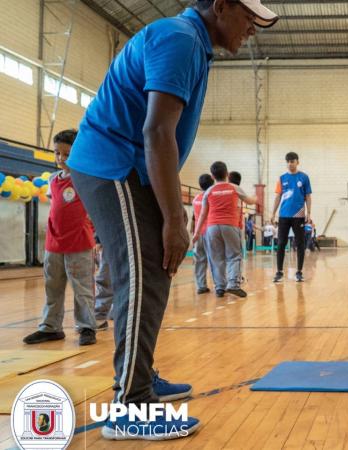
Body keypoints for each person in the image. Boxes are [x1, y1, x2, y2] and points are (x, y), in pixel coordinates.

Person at [65, 0, 279, 440]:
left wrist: (173, 218)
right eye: (249, 16)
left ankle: (140, 376)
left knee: (155, 273)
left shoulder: (192, 43)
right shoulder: (180, 39)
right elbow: (156, 132)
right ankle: (131, 405)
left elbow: (161, 134)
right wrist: (175, 221)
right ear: (220, 6)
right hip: (112, 165)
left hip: (129, 167)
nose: (254, 28)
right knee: (143, 272)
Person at [23, 129, 98, 347]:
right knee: (52, 286)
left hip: (79, 243)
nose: (61, 158)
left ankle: (86, 326)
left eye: (66, 154)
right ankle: (51, 327)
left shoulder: (85, 178)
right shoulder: (54, 180)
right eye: (57, 153)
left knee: (82, 288)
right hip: (54, 243)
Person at [193, 162, 256, 298]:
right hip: (230, 225)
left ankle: (220, 287)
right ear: (227, 174)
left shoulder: (208, 191)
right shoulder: (234, 187)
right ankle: (233, 284)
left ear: (212, 176)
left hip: (211, 227)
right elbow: (250, 201)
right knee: (234, 255)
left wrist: (197, 232)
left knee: (216, 258)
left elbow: (203, 214)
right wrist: (256, 197)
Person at [270, 152, 312, 283]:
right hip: (283, 216)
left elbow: (308, 197)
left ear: (297, 162)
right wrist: (273, 213)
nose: (290, 163)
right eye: (288, 161)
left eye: (292, 161)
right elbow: (277, 196)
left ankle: (299, 272)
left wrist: (308, 213)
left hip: (299, 215)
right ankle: (279, 272)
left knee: (300, 244)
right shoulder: (282, 178)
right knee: (281, 243)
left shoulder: (304, 177)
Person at [191, 173, 214, 294]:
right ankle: (220, 285)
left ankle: (201, 286)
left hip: (198, 233)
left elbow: (195, 218)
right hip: (210, 232)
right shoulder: (211, 198)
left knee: (200, 260)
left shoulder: (195, 199)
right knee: (216, 259)